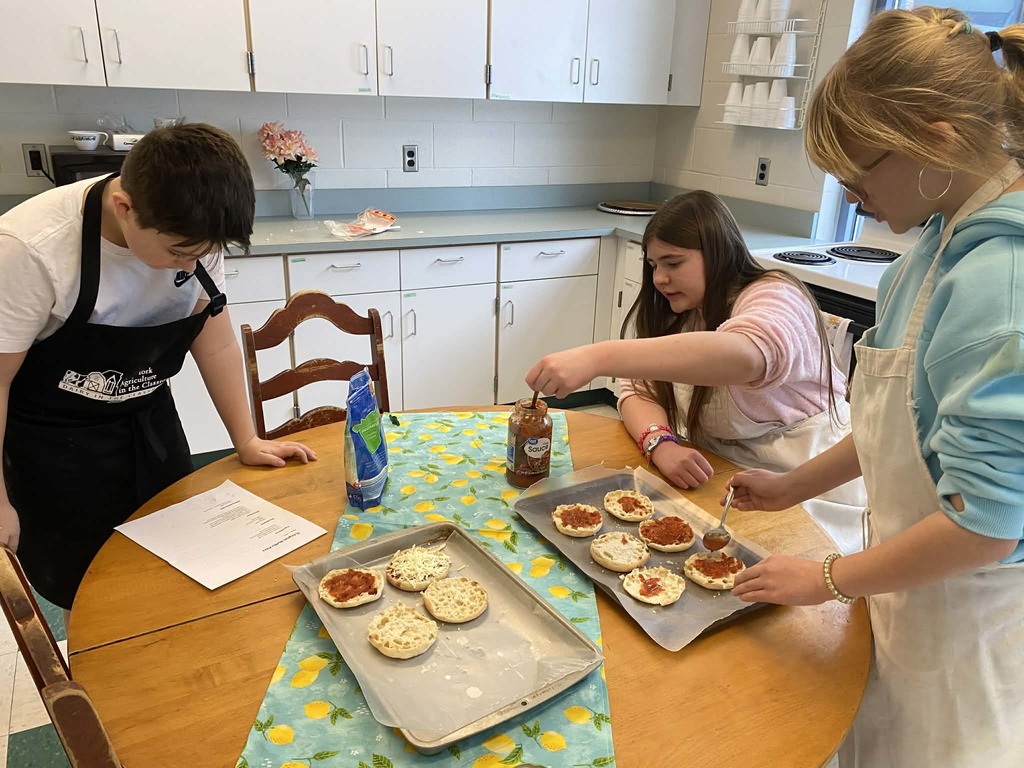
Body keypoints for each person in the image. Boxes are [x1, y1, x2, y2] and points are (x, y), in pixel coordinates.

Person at [727, 8, 1024, 767]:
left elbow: (988, 524)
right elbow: (899, 429)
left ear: (939, 140)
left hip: (970, 635)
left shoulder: (1001, 288)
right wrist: (792, 488)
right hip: (904, 598)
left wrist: (826, 578)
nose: (851, 194)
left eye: (860, 171)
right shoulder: (929, 252)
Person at [0, 124, 317, 611]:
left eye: (202, 255)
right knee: (93, 598)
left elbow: (214, 345)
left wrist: (247, 439)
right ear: (125, 209)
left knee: (178, 577)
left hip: (150, 426)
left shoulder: (193, 232)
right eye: (179, 254)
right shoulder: (31, 249)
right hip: (57, 452)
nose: (190, 268)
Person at [526, 190, 866, 552]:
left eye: (673, 263)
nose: (659, 279)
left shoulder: (774, 294)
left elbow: (748, 356)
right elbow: (638, 388)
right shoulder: (681, 310)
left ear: (718, 254)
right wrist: (659, 442)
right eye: (654, 265)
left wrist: (599, 357)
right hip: (723, 476)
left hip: (810, 486)